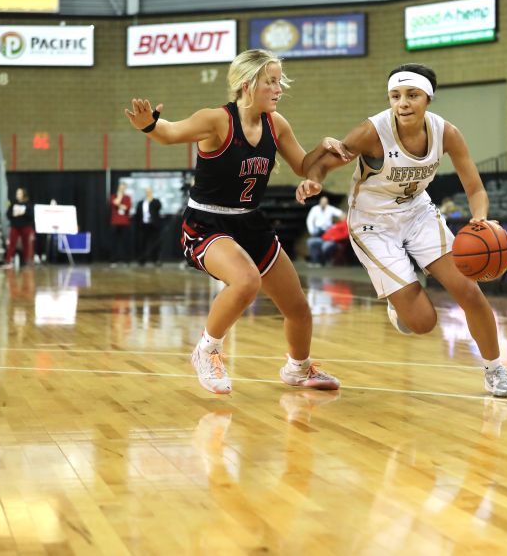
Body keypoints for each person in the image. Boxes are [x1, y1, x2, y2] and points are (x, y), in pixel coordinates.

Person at [124, 48, 350, 394]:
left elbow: (304, 166)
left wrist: (326, 150)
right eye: (270, 82)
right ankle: (207, 350)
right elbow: (170, 132)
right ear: (247, 84)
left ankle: (299, 369)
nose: (278, 89)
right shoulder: (217, 120)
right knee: (245, 282)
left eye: (279, 82)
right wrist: (149, 125)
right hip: (206, 224)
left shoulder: (277, 124)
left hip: (250, 223)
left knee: (299, 308)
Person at [298, 63, 507, 398]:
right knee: (422, 323)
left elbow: (475, 188)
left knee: (470, 292)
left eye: (412, 95)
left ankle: (494, 370)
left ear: (427, 99)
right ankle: (400, 300)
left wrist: (481, 218)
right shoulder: (371, 132)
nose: (402, 103)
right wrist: (314, 181)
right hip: (373, 224)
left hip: (418, 213)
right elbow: (325, 162)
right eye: (396, 95)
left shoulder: (446, 133)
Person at [305, 195, 343, 266]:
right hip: (317, 230)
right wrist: (312, 231)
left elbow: (340, 213)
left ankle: (323, 261)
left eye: (325, 202)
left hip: (327, 231)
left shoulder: (330, 209)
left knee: (324, 246)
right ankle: (314, 261)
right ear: (320, 202)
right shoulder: (315, 209)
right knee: (313, 244)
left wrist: (342, 216)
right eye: (323, 202)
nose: (324, 203)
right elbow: (309, 220)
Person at [3, 187, 35, 268]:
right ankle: (8, 261)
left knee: (26, 244)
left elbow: (31, 216)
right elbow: (8, 214)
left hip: (25, 226)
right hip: (15, 226)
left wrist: (23, 212)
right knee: (11, 243)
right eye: (17, 193)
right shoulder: (13, 203)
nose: (17, 195)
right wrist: (14, 214)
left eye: (19, 193)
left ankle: (25, 261)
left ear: (23, 194)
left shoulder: (28, 204)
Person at [134, 187, 163, 265]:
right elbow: (137, 214)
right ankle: (142, 260)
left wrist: (151, 200)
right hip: (144, 225)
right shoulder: (141, 202)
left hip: (154, 225)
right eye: (146, 191)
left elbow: (159, 207)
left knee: (155, 243)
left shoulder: (155, 201)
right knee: (143, 243)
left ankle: (156, 260)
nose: (148, 193)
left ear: (151, 192)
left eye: (149, 191)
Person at [109, 182, 132, 266]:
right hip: (115, 222)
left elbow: (127, 208)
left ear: (125, 188)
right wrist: (120, 196)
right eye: (121, 187)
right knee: (114, 242)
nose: (122, 189)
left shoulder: (128, 197)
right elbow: (115, 203)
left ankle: (126, 260)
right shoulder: (113, 196)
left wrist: (120, 204)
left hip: (125, 222)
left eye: (123, 188)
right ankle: (113, 260)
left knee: (125, 242)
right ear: (118, 188)